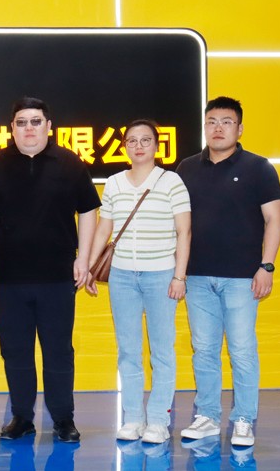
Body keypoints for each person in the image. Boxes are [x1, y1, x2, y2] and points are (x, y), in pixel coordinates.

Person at [0, 97, 100, 443]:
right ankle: (22, 417)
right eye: (21, 122)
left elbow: (88, 210)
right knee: (15, 351)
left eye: (35, 121)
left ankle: (63, 419)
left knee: (58, 351)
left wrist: (84, 259)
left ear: (48, 126)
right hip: (8, 277)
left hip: (58, 277)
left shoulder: (70, 164)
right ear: (11, 128)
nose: (28, 128)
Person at [176, 96, 280, 448]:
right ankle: (207, 415)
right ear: (204, 127)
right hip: (197, 276)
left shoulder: (259, 168)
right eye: (212, 122)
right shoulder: (186, 168)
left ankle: (244, 419)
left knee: (241, 350)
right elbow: (178, 223)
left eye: (226, 121)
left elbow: (274, 220)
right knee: (204, 349)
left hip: (242, 278)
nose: (218, 128)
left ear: (240, 128)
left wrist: (266, 266)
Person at [85, 119, 191, 444]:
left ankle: (158, 420)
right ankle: (133, 418)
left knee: (161, 351)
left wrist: (179, 276)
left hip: (161, 275)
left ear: (157, 146)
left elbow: (184, 231)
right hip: (121, 277)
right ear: (125, 147)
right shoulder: (114, 183)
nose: (139, 146)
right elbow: (104, 228)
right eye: (132, 140)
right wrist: (90, 268)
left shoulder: (172, 181)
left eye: (146, 140)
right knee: (128, 350)